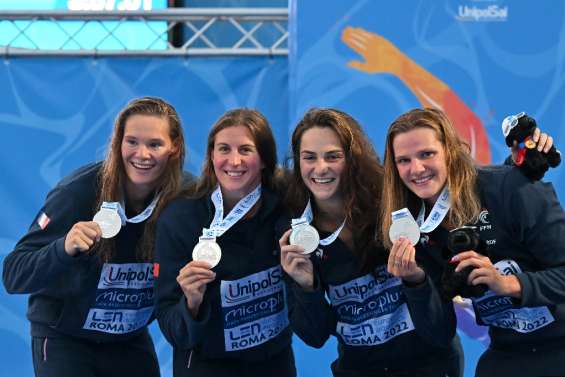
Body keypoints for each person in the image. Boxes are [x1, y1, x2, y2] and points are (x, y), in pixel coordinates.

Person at [2, 96, 186, 377]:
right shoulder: (78, 192)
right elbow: (13, 274)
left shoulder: (185, 198)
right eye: (132, 142)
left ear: (174, 148)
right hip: (66, 338)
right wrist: (62, 248)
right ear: (118, 143)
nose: (142, 154)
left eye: (155, 144)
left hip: (128, 339)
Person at [380, 107, 565, 377]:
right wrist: (415, 282)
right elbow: (439, 334)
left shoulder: (511, 188)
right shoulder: (412, 229)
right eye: (403, 160)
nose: (416, 168)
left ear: (450, 151)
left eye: (427, 154)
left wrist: (509, 284)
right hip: (508, 351)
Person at [279, 108, 462, 377]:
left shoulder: (395, 206)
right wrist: (306, 287)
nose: (320, 168)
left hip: (429, 367)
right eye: (309, 158)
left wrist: (416, 281)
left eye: (333, 156)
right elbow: (315, 336)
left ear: (352, 159)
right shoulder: (296, 233)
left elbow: (440, 329)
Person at [154, 108, 295, 377]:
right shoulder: (180, 219)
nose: (234, 160)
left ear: (264, 159)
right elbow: (173, 328)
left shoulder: (286, 209)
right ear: (211, 156)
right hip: (206, 366)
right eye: (224, 149)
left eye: (245, 150)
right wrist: (191, 304)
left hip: (273, 365)